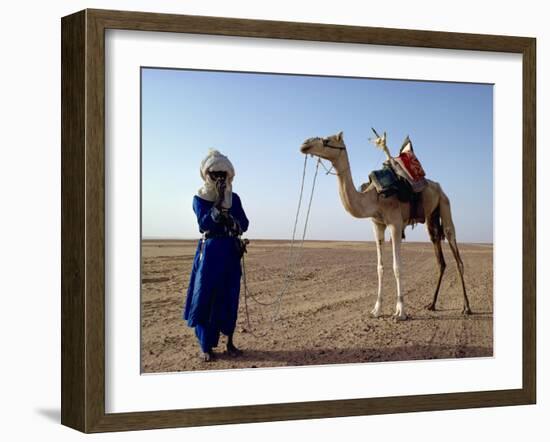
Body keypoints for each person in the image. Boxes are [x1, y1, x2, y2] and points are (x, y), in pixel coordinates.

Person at [183, 149, 249, 362]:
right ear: (207, 175)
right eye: (215, 174)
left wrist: (232, 222)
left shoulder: (235, 199)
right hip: (210, 253)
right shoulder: (199, 198)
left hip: (230, 251)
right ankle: (205, 346)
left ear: (228, 176)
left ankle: (230, 342)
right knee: (206, 296)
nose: (219, 178)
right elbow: (204, 223)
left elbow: (244, 224)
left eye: (223, 174)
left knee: (230, 295)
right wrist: (219, 202)